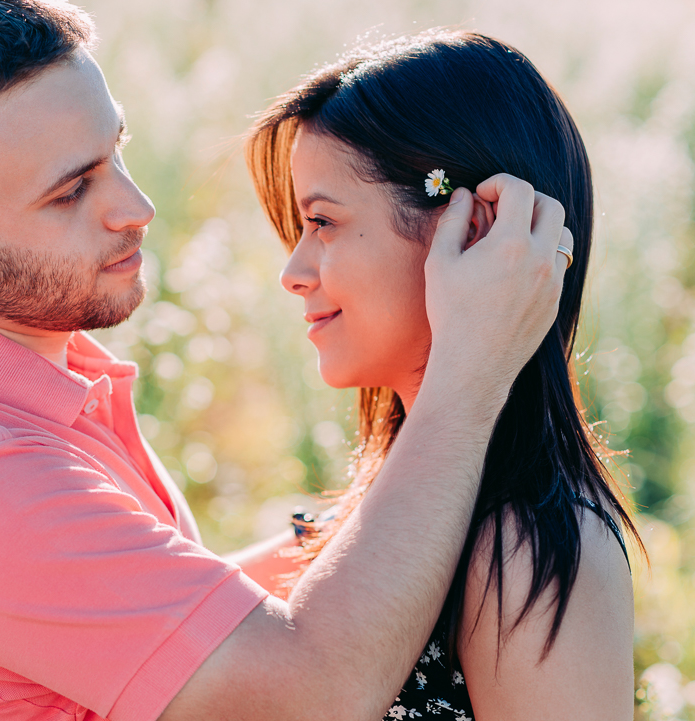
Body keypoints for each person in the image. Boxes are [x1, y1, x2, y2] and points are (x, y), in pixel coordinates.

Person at [0, 3, 570, 720]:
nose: (135, 205)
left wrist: (357, 523)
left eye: (115, 152)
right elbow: (313, 694)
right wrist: (470, 374)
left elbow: (153, 610)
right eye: (72, 190)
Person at [246, 29, 639, 720]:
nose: (293, 271)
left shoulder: (529, 549)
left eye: (323, 222)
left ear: (476, 226)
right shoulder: (369, 522)